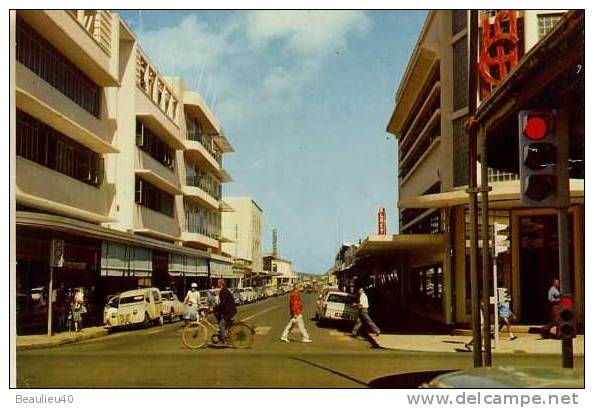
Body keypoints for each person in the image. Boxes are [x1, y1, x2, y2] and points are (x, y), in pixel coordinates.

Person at [215, 279, 236, 344]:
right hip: (230, 310)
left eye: (218, 283)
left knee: (221, 325)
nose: (217, 284)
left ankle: (224, 341)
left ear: (220, 284)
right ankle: (222, 335)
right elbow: (223, 303)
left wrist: (216, 309)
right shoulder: (225, 290)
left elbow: (223, 303)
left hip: (229, 311)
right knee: (220, 319)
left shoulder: (223, 291)